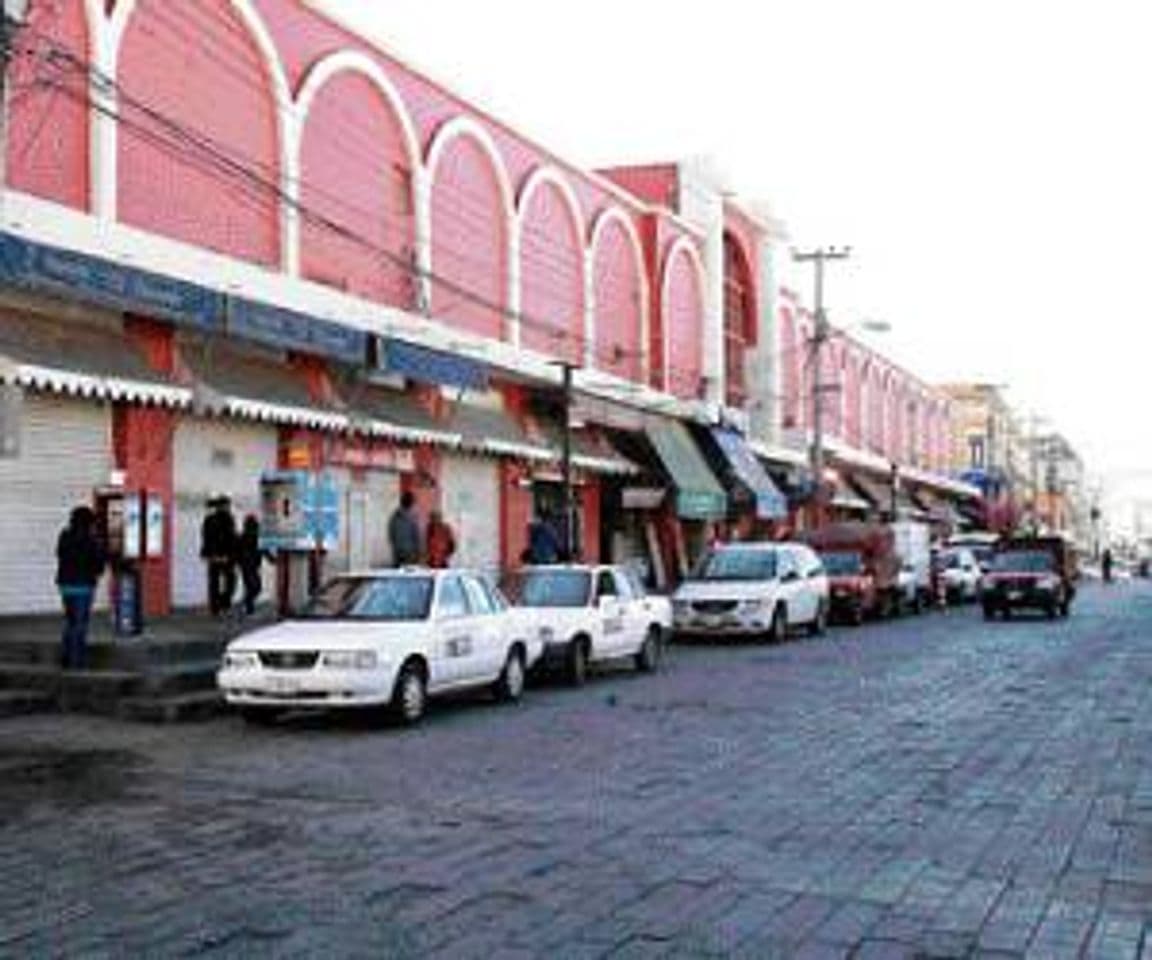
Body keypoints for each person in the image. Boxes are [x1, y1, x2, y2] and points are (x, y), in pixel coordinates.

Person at [56, 505, 107, 670]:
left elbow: (59, 554)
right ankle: (77, 661)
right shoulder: (92, 540)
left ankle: (65, 656)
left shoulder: (64, 535)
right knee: (80, 624)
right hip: (83, 586)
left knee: (70, 621)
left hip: (65, 585)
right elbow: (98, 566)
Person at [200, 495, 238, 616]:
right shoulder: (226, 519)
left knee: (216, 582)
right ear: (223, 506)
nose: (229, 507)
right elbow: (230, 538)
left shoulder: (210, 519)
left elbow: (205, 537)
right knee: (229, 581)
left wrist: (207, 553)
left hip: (215, 555)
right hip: (224, 555)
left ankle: (216, 607)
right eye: (227, 505)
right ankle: (222, 605)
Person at [236, 514, 272, 616]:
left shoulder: (241, 537)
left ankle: (248, 606)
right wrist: (272, 560)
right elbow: (264, 551)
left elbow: (236, 551)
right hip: (251, 565)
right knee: (256, 587)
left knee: (251, 587)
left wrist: (237, 562)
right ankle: (248, 606)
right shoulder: (257, 537)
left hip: (246, 565)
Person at [388, 490, 423, 566]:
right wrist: (419, 552)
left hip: (398, 553)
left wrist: (395, 547)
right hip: (410, 554)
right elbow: (417, 536)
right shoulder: (413, 517)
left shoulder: (394, 517)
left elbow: (391, 535)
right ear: (411, 503)